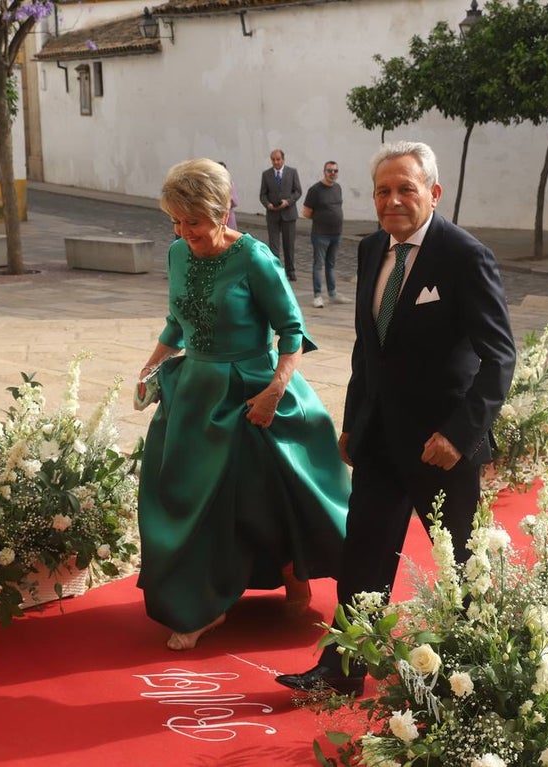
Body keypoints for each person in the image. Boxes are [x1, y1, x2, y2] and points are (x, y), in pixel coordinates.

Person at [275, 140, 517, 696]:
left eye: (406, 188)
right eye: (382, 191)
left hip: (441, 445)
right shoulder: (370, 250)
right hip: (380, 438)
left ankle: (475, 675)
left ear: (433, 192)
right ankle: (343, 669)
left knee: (459, 564)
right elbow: (369, 350)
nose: (393, 200)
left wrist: (460, 434)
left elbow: (500, 357)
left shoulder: (464, 256)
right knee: (362, 555)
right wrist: (353, 421)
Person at [137, 158, 350, 652]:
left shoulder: (255, 258)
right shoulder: (177, 253)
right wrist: (148, 372)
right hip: (194, 394)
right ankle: (204, 602)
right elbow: (176, 324)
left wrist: (275, 392)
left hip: (252, 393)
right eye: (176, 221)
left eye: (193, 221)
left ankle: (289, 576)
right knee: (188, 500)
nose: (183, 231)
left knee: (264, 496)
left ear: (220, 212)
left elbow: (292, 332)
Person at [302, 160, 350, 309]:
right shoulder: (315, 190)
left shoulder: (338, 188)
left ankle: (332, 293)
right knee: (318, 265)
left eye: (335, 171)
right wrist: (322, 219)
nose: (332, 173)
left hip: (336, 233)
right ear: (324, 172)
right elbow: (306, 213)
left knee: (331, 264)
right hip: (320, 234)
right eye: (330, 171)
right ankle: (317, 296)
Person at [258, 149, 302, 280]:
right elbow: (263, 194)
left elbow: (298, 191)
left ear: (283, 159)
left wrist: (288, 202)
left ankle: (290, 271)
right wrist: (267, 204)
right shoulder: (266, 174)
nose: (276, 162)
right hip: (273, 214)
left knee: (289, 244)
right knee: (274, 245)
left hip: (289, 213)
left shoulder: (292, 172)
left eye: (278, 159)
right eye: (273, 160)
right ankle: (276, 271)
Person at [218, 160, 239, 230]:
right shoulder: (211, 183)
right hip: (216, 216)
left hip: (228, 215)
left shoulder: (229, 183)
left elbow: (235, 201)